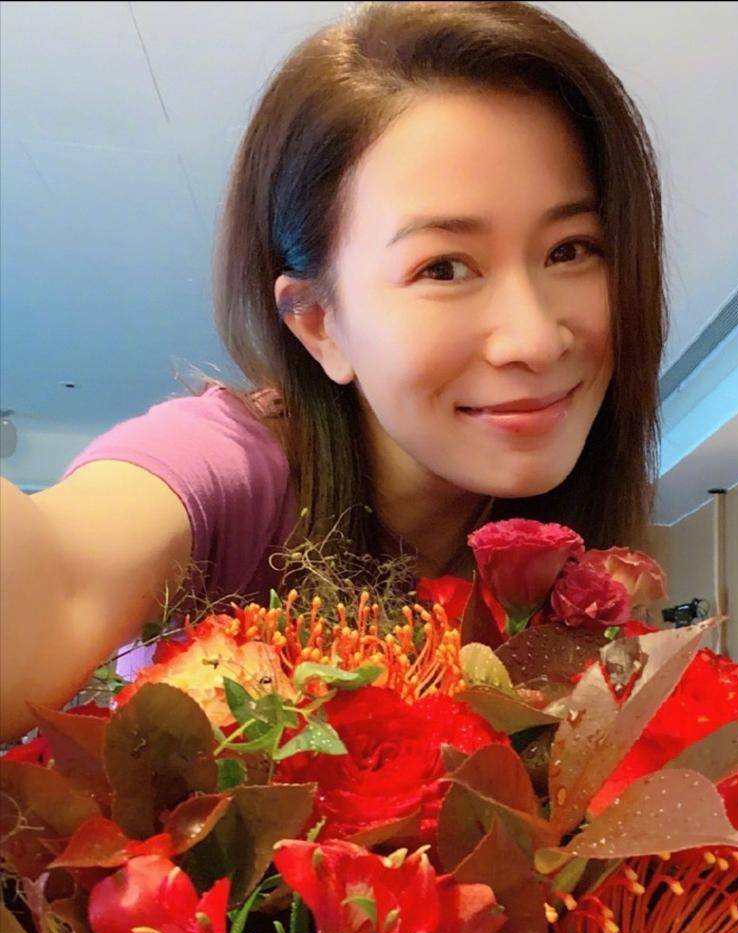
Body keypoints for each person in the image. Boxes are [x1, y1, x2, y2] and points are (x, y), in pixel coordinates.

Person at [0, 0, 666, 742]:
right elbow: (59, 577)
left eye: (572, 250)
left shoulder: (570, 551)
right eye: (444, 268)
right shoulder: (229, 470)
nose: (535, 340)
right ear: (318, 322)